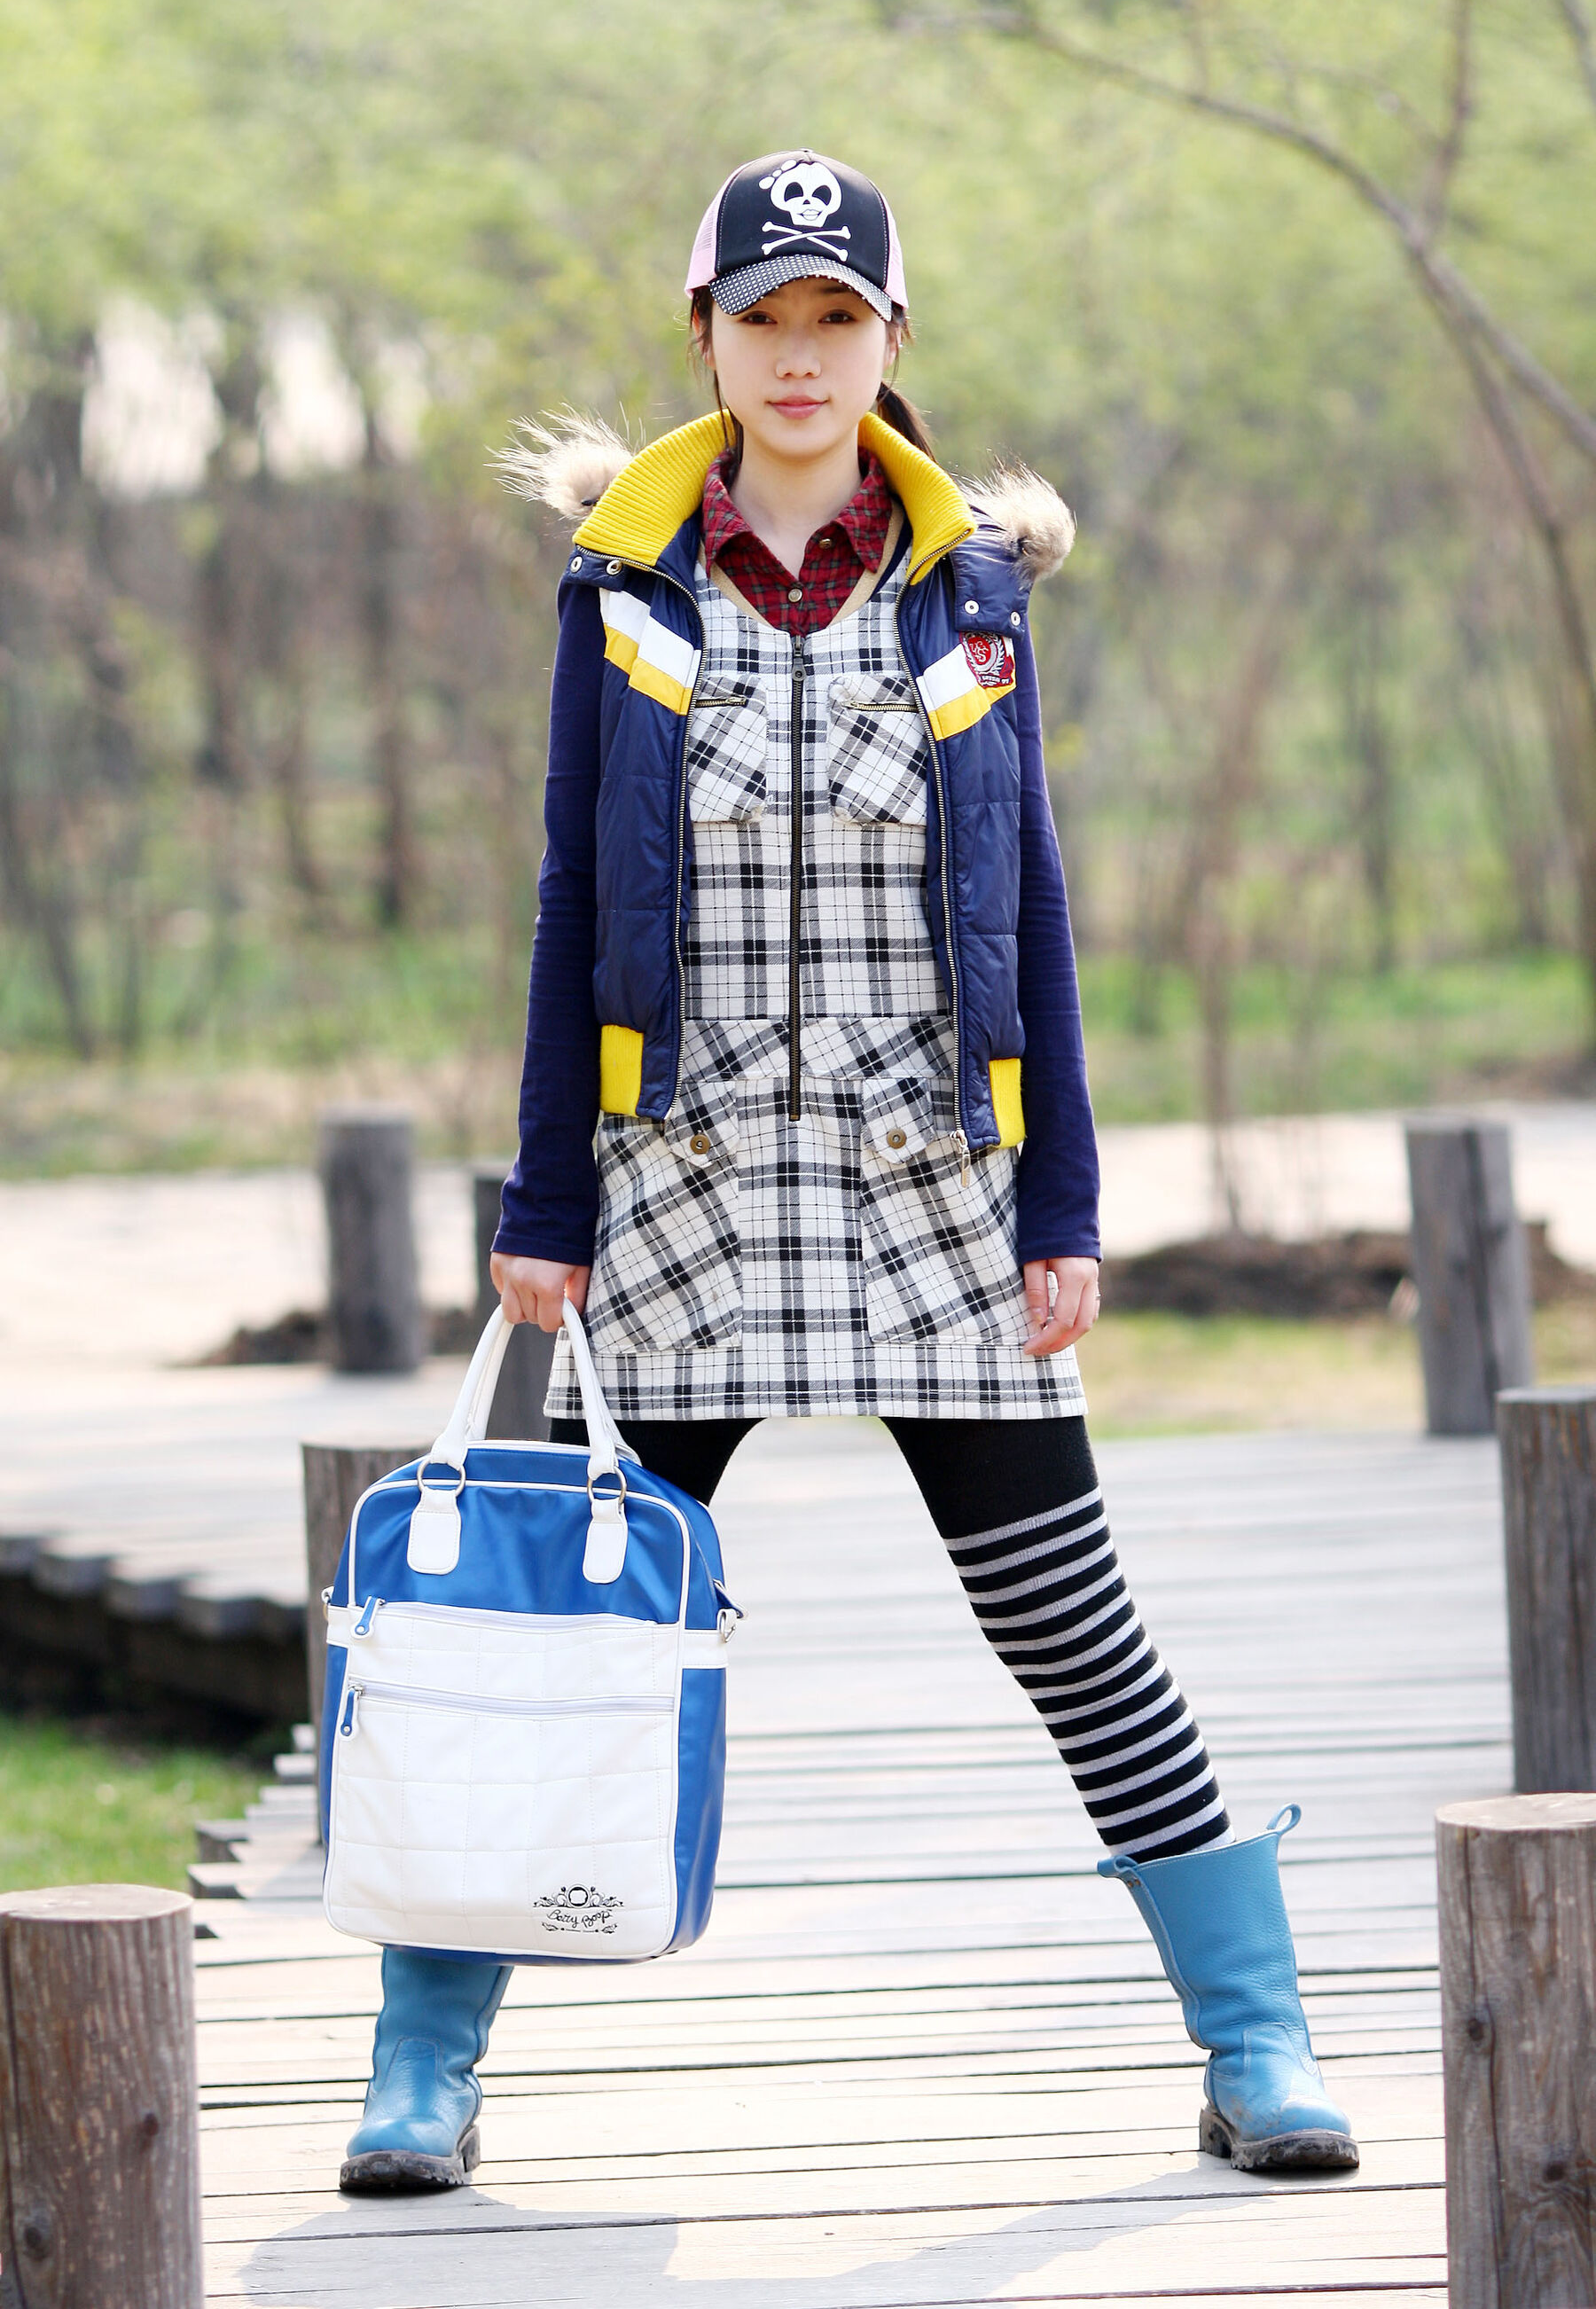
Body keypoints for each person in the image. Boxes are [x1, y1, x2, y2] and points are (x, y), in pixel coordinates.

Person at [340, 150, 1357, 2194]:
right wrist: (545, 1202)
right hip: (684, 1188)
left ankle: (1259, 2037)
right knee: (552, 1635)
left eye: (837, 318)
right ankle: (423, 2065)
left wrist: (1061, 1203)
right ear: (706, 338)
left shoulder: (978, 590)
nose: (799, 355)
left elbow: (1032, 904)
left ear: (891, 339)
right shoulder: (621, 588)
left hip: (927, 1189)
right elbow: (571, 895)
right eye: (763, 318)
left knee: (1073, 1622)